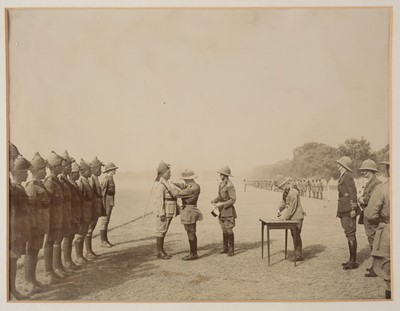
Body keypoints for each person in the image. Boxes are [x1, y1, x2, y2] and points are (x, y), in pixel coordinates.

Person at [24, 152, 50, 294]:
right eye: (43, 169)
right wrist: (33, 226)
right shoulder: (32, 187)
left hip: (40, 223)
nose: (45, 171)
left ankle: (33, 279)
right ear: (35, 171)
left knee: (35, 250)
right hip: (34, 225)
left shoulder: (40, 185)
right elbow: (30, 210)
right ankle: (28, 281)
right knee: (31, 250)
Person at [365, 161, 390, 298]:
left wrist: (382, 221)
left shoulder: (383, 188)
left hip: (389, 229)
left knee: (389, 275)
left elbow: (370, 214)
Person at [9, 152, 30, 299]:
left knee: (13, 259)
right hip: (11, 230)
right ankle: (11, 290)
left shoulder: (15, 187)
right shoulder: (11, 188)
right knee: (10, 259)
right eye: (25, 172)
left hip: (16, 230)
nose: (27, 175)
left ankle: (12, 289)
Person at [43, 151, 66, 283]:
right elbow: (49, 204)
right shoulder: (50, 182)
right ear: (54, 167)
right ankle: (48, 272)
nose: (61, 168)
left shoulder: (56, 181)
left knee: (54, 241)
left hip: (58, 216)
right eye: (59, 166)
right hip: (52, 218)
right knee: (50, 242)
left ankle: (54, 269)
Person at [357, 159, 382, 277]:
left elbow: (374, 199)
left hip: (372, 215)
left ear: (370, 171)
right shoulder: (370, 182)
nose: (363, 173)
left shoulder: (376, 183)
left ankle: (377, 268)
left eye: (365, 171)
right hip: (368, 214)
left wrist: (363, 200)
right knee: (372, 240)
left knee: (374, 241)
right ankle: (376, 266)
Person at [152, 161, 180, 259]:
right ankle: (160, 252)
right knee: (161, 230)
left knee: (164, 230)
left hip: (170, 210)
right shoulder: (161, 185)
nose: (170, 174)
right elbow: (159, 201)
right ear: (163, 174)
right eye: (168, 173)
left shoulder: (167, 183)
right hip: (165, 211)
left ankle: (161, 251)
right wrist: (161, 213)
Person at [335, 156, 359, 270]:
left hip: (348, 209)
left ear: (343, 166)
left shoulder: (347, 176)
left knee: (350, 233)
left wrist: (353, 208)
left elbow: (353, 193)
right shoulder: (343, 176)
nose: (337, 166)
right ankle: (351, 259)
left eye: (339, 164)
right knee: (348, 233)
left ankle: (353, 261)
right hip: (343, 209)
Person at [173, 169, 203, 260]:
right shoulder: (193, 185)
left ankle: (193, 254)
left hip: (189, 211)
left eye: (185, 179)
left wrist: (170, 186)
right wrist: (175, 183)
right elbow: (183, 186)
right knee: (190, 232)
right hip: (189, 209)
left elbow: (176, 194)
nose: (184, 180)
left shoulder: (192, 188)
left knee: (190, 232)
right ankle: (193, 253)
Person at [275, 176, 306, 261]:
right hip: (292, 217)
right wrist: (279, 209)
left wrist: (285, 217)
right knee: (294, 234)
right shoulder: (286, 191)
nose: (280, 189)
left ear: (285, 184)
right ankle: (297, 253)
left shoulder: (293, 192)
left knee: (296, 234)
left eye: (281, 187)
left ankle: (299, 255)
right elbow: (284, 202)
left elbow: (292, 206)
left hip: (297, 216)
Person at [54, 151, 74, 277]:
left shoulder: (64, 180)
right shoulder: (60, 180)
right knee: (57, 239)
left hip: (66, 211)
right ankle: (57, 266)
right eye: (67, 166)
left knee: (63, 237)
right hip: (60, 212)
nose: (70, 168)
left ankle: (62, 264)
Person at [211, 166, 237, 257]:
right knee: (224, 229)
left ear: (224, 175)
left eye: (221, 174)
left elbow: (233, 200)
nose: (220, 175)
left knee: (229, 229)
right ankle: (225, 248)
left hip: (228, 210)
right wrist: (215, 200)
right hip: (221, 211)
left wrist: (221, 204)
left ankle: (231, 249)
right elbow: (221, 196)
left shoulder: (230, 185)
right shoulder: (222, 184)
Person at [74, 159, 93, 264]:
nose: (90, 172)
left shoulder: (86, 181)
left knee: (85, 231)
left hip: (87, 209)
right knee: (81, 233)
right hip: (83, 210)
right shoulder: (81, 181)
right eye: (88, 170)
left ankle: (82, 255)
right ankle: (78, 256)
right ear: (83, 171)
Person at [86, 156, 105, 258]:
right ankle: (88, 251)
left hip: (96, 207)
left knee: (91, 228)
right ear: (93, 169)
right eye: (99, 168)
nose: (100, 170)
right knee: (89, 229)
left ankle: (90, 250)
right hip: (93, 207)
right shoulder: (92, 179)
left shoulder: (95, 179)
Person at [64, 159, 82, 270]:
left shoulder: (72, 183)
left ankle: (68, 260)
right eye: (77, 172)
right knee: (68, 237)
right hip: (69, 213)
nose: (78, 174)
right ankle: (67, 261)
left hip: (74, 213)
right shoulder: (67, 183)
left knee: (71, 236)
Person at [100, 162, 118, 248]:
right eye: (113, 169)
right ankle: (103, 241)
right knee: (104, 221)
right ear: (110, 170)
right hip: (106, 202)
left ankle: (105, 240)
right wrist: (103, 205)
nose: (115, 170)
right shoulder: (106, 179)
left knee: (107, 221)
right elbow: (103, 193)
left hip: (110, 201)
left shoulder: (110, 178)